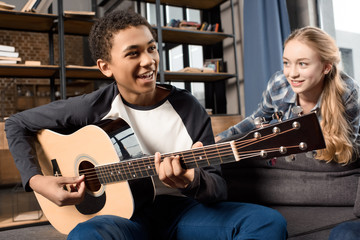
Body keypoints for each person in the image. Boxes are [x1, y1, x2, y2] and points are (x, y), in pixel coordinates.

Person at [5, 10, 287, 240]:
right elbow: (17, 124)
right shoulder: (93, 106)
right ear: (106, 67)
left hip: (182, 212)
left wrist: (192, 181)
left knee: (265, 222)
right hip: (121, 218)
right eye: (133, 53)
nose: (149, 60)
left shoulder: (188, 108)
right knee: (84, 236)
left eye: (152, 48)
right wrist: (38, 181)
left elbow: (218, 187)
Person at [216, 26, 360, 239]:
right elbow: (257, 118)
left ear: (326, 67)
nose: (292, 73)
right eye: (286, 63)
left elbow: (348, 151)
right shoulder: (278, 84)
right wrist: (219, 139)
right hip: (286, 165)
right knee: (230, 159)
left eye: (302, 64)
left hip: (332, 165)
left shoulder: (348, 93)